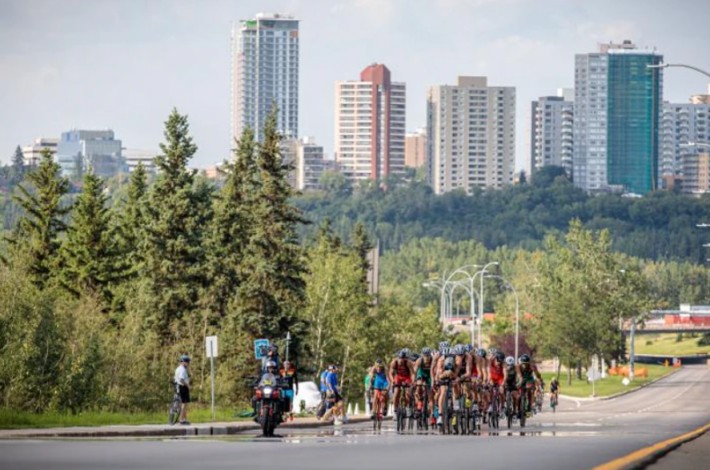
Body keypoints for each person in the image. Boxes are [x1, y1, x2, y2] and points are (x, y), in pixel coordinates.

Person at [388, 349, 415, 415]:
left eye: (402, 358)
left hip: (407, 377)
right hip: (398, 377)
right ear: (397, 357)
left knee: (408, 392)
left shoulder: (408, 363)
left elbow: (412, 373)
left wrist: (413, 382)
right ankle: (395, 411)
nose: (401, 360)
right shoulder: (394, 362)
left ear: (405, 358)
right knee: (397, 391)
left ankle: (407, 407)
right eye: (400, 358)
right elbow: (390, 373)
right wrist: (392, 381)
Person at [413, 347, 435, 425]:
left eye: (428, 355)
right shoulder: (419, 360)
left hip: (430, 375)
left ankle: (432, 416)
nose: (426, 357)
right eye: (425, 355)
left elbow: (435, 372)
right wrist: (414, 381)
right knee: (419, 385)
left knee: (430, 397)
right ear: (422, 355)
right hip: (421, 374)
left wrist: (433, 382)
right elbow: (415, 371)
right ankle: (419, 402)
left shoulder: (433, 360)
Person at [174, 355, 191, 425]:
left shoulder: (178, 369)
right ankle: (181, 419)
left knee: (185, 403)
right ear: (183, 362)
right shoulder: (182, 369)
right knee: (184, 403)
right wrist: (188, 386)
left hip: (178, 386)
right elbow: (181, 379)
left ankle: (184, 419)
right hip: (183, 387)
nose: (188, 364)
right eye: (187, 362)